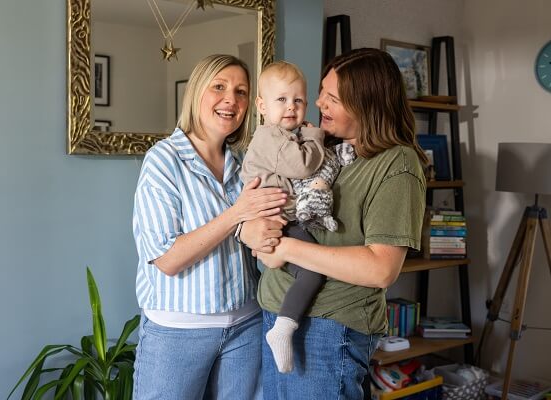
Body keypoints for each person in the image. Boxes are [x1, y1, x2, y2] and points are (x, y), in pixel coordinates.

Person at [241, 48, 429, 399]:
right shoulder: (323, 146)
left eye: (333, 98)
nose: (318, 103)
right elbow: (263, 196)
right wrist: (249, 231)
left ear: (366, 104)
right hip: (276, 314)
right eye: (322, 93)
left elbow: (381, 268)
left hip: (330, 328)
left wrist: (284, 247)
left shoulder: (397, 165)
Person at [132, 54, 287, 400]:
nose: (231, 99)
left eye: (242, 92)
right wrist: (237, 214)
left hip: (246, 326)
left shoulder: (247, 164)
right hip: (178, 334)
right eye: (219, 87)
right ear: (197, 93)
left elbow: (261, 239)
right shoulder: (163, 160)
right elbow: (168, 259)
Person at [240, 61, 341, 373]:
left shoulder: (285, 135)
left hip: (283, 218)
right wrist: (314, 135)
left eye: (298, 100)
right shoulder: (271, 136)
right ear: (261, 105)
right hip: (278, 221)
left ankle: (284, 326)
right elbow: (302, 167)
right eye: (281, 99)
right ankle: (283, 329)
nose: (291, 107)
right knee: (312, 272)